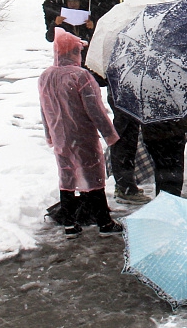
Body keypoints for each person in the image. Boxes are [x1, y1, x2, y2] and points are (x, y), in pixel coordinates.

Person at [38, 28, 123, 238]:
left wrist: (49, 134)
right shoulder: (80, 76)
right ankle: (103, 221)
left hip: (60, 135)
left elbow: (45, 109)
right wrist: (109, 134)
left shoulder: (45, 76)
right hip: (82, 134)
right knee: (92, 175)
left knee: (67, 176)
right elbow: (95, 109)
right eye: (78, 51)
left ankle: (70, 222)